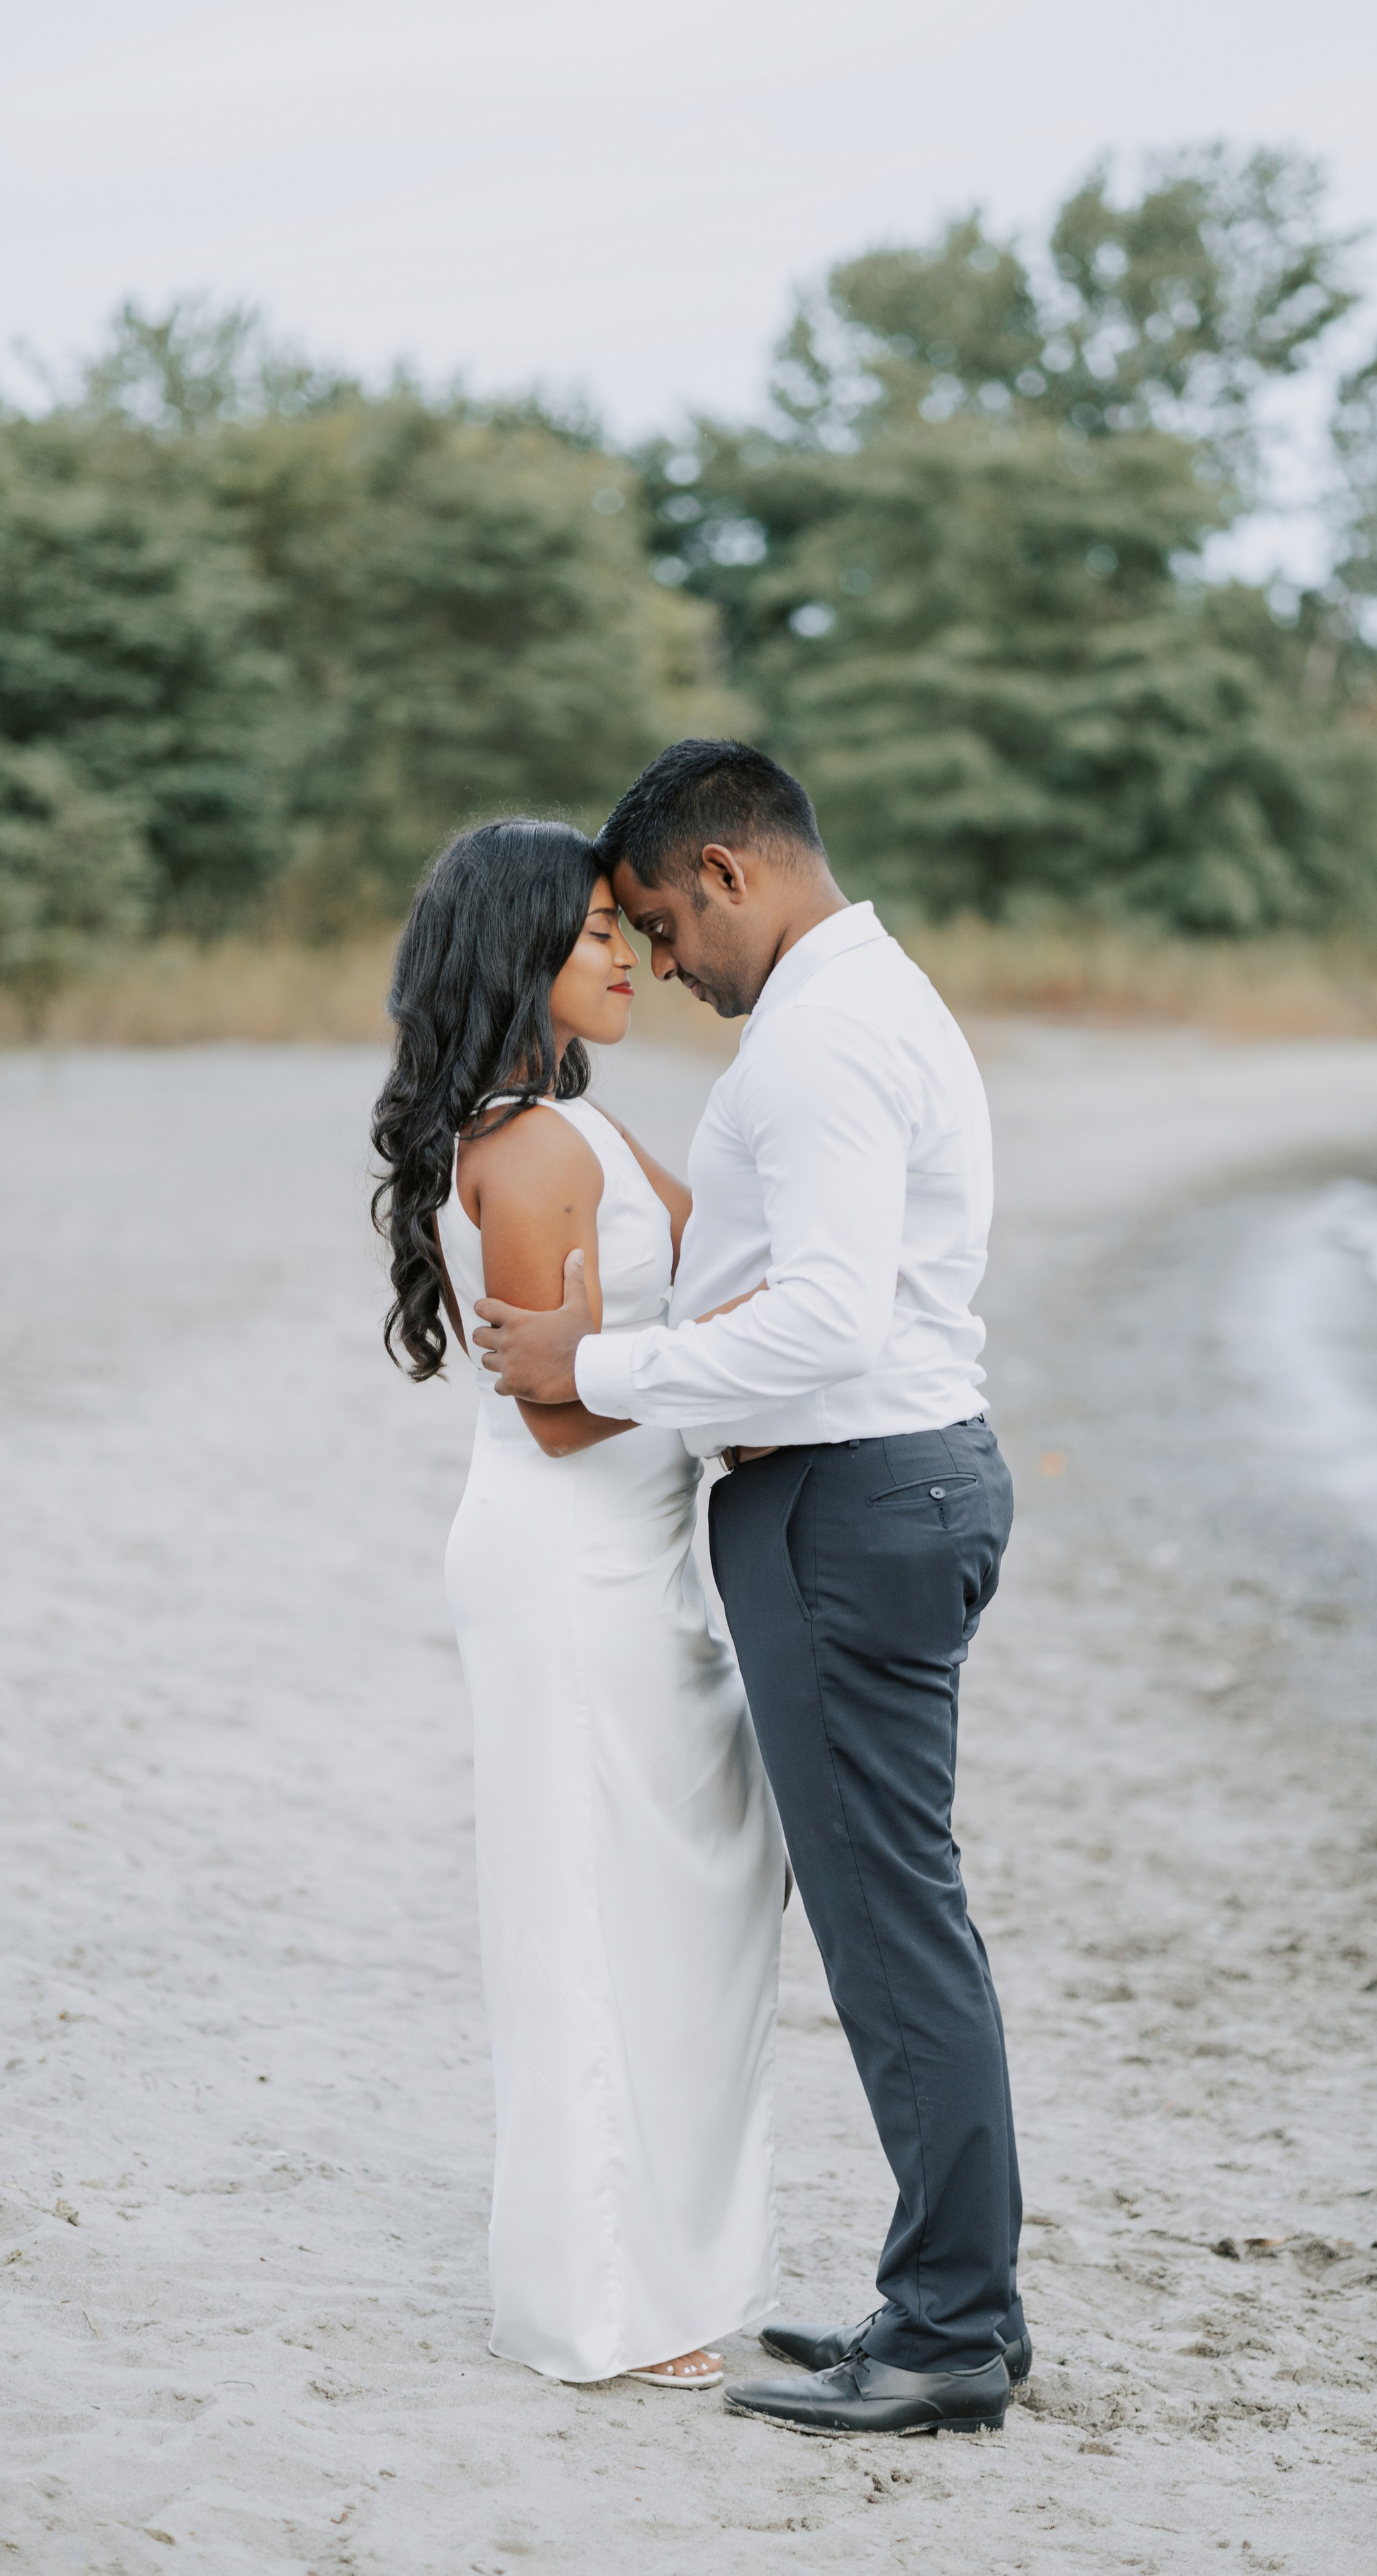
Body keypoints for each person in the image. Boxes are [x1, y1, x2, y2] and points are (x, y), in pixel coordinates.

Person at [474, 743, 1028, 2439]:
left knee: (887, 1933)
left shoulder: (822, 1038)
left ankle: (946, 2329)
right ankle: (944, 2308)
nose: (660, 962)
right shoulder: (859, 1003)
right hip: (882, 1489)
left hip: (852, 1501)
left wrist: (600, 1355)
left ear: (725, 873)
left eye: (658, 918)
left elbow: (830, 1321)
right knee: (892, 1917)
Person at [370, 817, 785, 2390]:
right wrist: (729, 1378)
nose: (629, 954)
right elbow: (560, 1408)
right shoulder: (530, 1150)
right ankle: (599, 2305)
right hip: (566, 1559)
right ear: (518, 955)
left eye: (630, 927)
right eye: (597, 931)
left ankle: (664, 2266)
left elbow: (714, 1264)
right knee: (589, 1918)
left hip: (638, 1557)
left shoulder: (577, 1128)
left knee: (684, 1898)